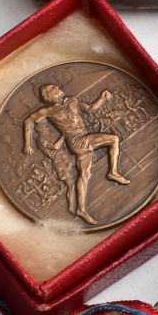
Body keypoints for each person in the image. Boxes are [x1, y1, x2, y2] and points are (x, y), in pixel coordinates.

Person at [22, 81, 131, 225]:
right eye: (53, 88)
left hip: (83, 138)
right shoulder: (47, 111)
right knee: (114, 139)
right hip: (76, 141)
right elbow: (28, 121)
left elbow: (90, 108)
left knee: (84, 175)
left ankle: (81, 209)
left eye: (56, 86)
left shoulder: (72, 100)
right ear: (48, 96)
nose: (58, 87)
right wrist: (28, 144)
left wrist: (102, 99)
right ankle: (113, 172)